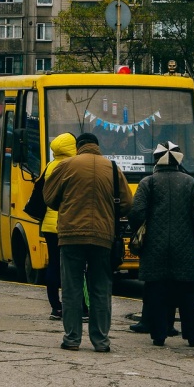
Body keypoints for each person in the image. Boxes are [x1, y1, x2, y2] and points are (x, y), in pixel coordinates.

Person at [43, 133, 133, 352]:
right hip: (102, 236)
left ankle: (72, 339)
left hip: (71, 236)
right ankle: (101, 341)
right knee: (101, 289)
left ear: (79, 147)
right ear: (97, 146)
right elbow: (127, 203)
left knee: (72, 288)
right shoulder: (112, 168)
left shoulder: (66, 166)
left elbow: (49, 198)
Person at [128, 141, 194, 347]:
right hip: (184, 247)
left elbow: (136, 213)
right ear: (179, 159)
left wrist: (140, 232)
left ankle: (159, 335)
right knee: (187, 293)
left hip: (154, 247)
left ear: (156, 160)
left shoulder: (148, 183)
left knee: (156, 291)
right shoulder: (190, 183)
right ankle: (193, 337)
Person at [39, 133, 77, 320]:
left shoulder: (49, 166)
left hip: (49, 225)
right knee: (74, 266)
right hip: (69, 224)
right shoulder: (74, 166)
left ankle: (56, 307)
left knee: (53, 264)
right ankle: (78, 306)